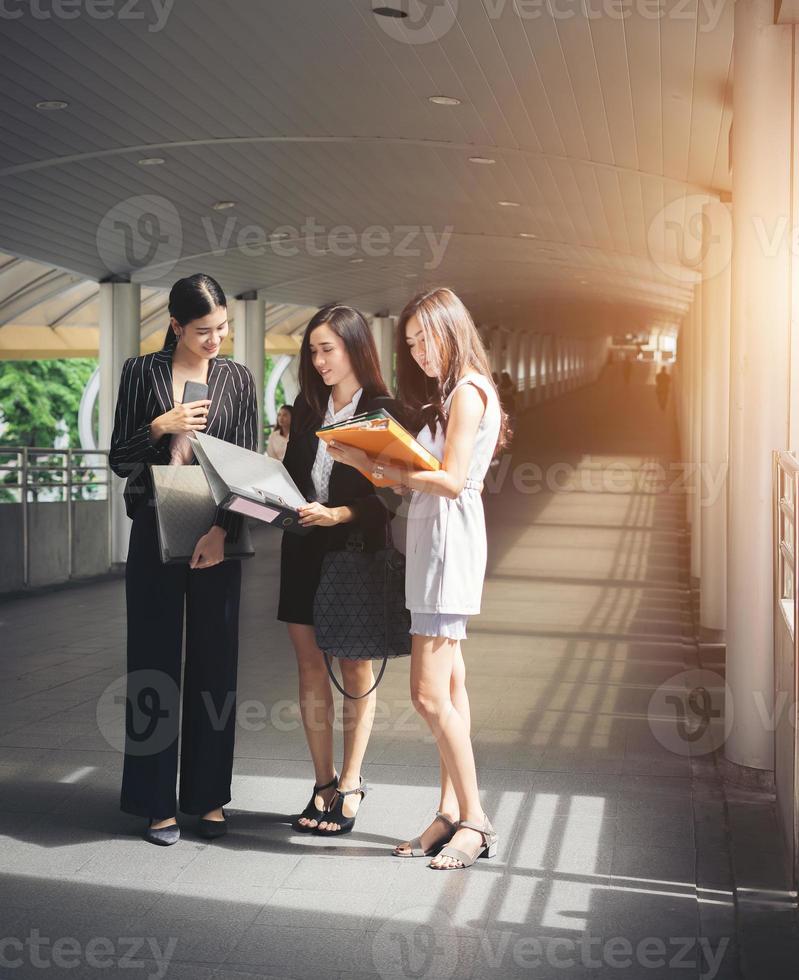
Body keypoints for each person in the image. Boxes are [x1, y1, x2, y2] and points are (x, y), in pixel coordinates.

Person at [328, 287, 507, 870]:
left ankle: (475, 821)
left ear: (452, 331)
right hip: (435, 544)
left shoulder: (468, 394)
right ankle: (449, 813)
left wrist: (384, 467)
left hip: (447, 550)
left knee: (428, 696)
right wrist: (368, 464)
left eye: (427, 339)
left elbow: (453, 480)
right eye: (411, 344)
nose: (421, 353)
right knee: (452, 692)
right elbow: (422, 479)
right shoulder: (453, 393)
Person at [109, 273, 257, 846]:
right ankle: (155, 802)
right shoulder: (142, 372)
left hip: (218, 532)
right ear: (175, 326)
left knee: (216, 664)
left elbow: (245, 468)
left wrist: (222, 530)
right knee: (153, 662)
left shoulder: (238, 380)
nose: (216, 338)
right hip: (154, 529)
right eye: (203, 330)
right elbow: (120, 458)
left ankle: (208, 797)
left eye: (222, 327)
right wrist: (158, 427)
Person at [278, 304, 404, 836]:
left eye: (327, 348)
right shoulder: (308, 409)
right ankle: (322, 783)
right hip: (305, 547)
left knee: (355, 669)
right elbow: (289, 477)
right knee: (310, 667)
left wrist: (339, 513)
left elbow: (392, 494)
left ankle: (351, 783)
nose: (319, 359)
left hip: (355, 549)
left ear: (355, 347)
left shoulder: (380, 409)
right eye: (313, 350)